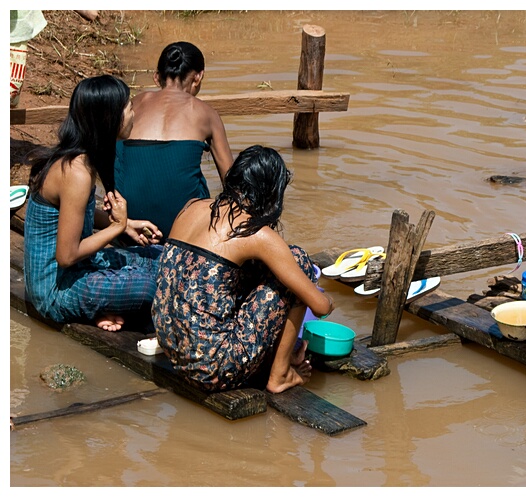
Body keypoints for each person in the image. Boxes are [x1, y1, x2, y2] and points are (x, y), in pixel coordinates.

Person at [152, 145, 333, 394]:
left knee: (252, 271)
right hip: (211, 370)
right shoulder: (256, 233)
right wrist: (325, 297)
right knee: (298, 260)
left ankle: (282, 357)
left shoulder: (191, 206)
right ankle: (280, 374)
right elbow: (320, 307)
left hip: (175, 354)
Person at [24, 75, 163, 332]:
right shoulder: (76, 172)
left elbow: (76, 215)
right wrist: (117, 227)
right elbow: (66, 256)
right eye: (129, 107)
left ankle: (107, 307)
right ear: (109, 119)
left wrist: (126, 223)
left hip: (77, 270)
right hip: (55, 291)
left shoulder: (82, 159)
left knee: (161, 256)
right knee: (152, 285)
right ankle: (102, 308)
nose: (134, 113)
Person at [114, 41, 233, 242]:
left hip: (128, 225)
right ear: (198, 77)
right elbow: (232, 182)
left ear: (156, 76)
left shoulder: (133, 105)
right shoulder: (206, 113)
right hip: (185, 233)